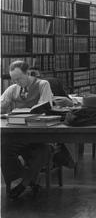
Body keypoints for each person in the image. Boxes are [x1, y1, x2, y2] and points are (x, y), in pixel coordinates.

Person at [0, 60, 53, 200]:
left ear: (28, 73)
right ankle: (28, 181)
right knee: (3, 148)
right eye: (14, 79)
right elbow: (1, 105)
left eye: (19, 78)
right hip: (19, 135)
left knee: (43, 151)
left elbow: (45, 107)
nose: (17, 82)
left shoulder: (43, 85)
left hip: (39, 134)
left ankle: (24, 184)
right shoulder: (13, 89)